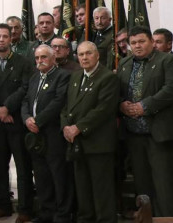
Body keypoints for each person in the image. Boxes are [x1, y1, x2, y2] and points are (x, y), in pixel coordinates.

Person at [116, 26, 173, 217]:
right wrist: (121, 105)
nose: (137, 46)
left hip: (159, 134)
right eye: (133, 42)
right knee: (142, 187)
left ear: (152, 42)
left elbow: (172, 89)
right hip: (134, 134)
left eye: (141, 42)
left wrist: (144, 106)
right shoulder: (124, 63)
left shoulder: (168, 60)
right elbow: (117, 91)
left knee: (164, 187)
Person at [0, 23, 35, 221]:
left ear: (11, 39)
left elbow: (25, 87)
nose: (2, 40)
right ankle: (3, 204)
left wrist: (8, 108)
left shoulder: (23, 62)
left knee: (22, 166)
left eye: (5, 36)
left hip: (16, 121)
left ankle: (25, 208)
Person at [62, 42, 120, 223]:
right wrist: (65, 126)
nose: (84, 58)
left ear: (97, 56)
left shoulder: (107, 77)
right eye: (80, 54)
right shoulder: (76, 76)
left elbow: (103, 109)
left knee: (101, 188)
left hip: (98, 142)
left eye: (88, 54)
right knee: (83, 187)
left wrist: (78, 127)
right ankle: (86, 218)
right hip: (77, 142)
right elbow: (66, 106)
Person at [22, 44, 72, 223]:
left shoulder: (62, 76)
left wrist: (38, 120)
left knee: (58, 175)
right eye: (37, 58)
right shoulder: (35, 77)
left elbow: (59, 101)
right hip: (35, 134)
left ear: (53, 58)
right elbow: (26, 101)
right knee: (41, 176)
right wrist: (27, 118)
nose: (39, 61)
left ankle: (62, 214)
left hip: (53, 133)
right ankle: (46, 213)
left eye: (43, 57)